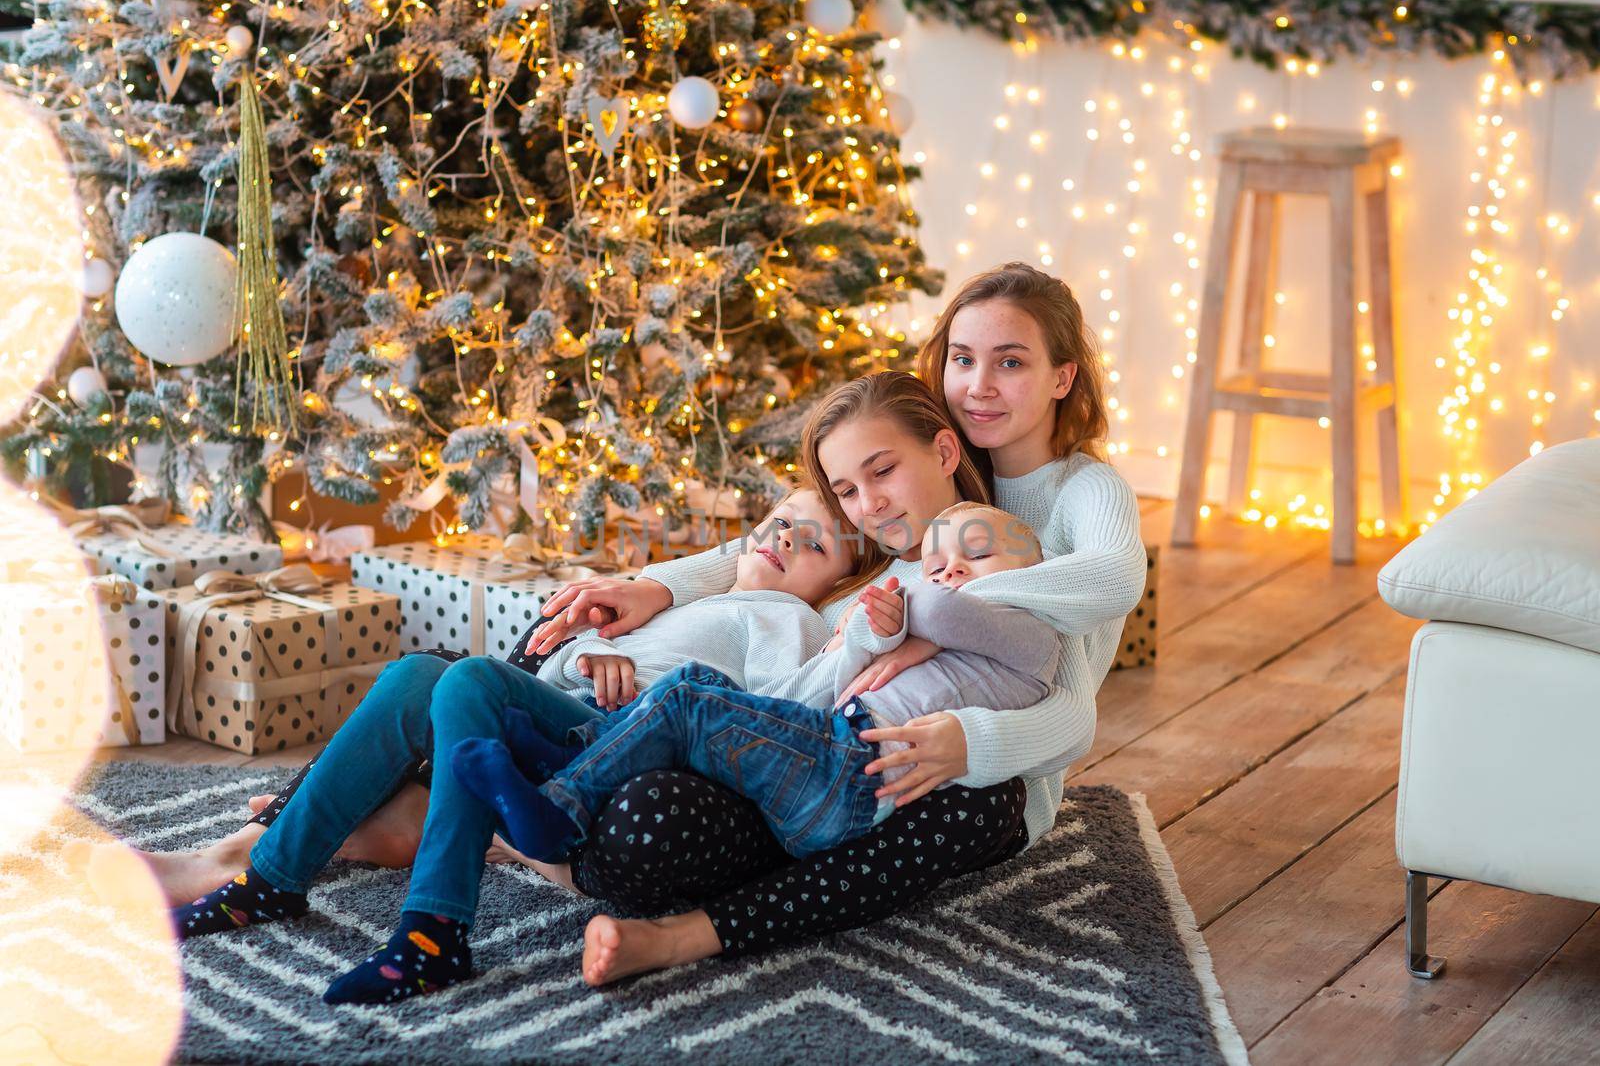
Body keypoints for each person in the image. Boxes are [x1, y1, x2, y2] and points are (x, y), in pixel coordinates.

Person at [135, 261, 1146, 992]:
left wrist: (955, 654)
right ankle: (278, 854)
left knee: (636, 808)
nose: (979, 384)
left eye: (1009, 361)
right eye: (962, 358)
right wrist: (652, 586)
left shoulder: (1064, 502)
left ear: (1063, 373)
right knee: (448, 686)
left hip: (953, 769)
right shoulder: (904, 482)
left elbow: (1078, 665)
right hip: (755, 729)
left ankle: (406, 836)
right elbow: (775, 551)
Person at [163, 488, 879, 1006]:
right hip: (571, 714)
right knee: (418, 675)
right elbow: (571, 659)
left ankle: (432, 933)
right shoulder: (685, 592)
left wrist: (641, 696)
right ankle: (273, 878)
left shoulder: (794, 624)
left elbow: (761, 727)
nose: (784, 538)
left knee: (469, 678)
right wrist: (598, 653)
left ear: (840, 581)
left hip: (629, 751)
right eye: (780, 521)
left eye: (812, 541)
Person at [459, 502, 1059, 864]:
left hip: (848, 780)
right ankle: (571, 755)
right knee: (692, 691)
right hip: (827, 753)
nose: (950, 569)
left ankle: (557, 812)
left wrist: (900, 602)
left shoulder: (1031, 634)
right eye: (936, 562)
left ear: (1031, 577)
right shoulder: (951, 630)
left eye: (977, 556)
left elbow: (946, 610)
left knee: (693, 697)